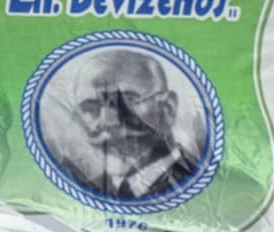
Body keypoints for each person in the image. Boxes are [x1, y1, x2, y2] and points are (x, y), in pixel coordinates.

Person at [44, 46, 204, 200]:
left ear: (167, 108)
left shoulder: (199, 181)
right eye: (90, 108)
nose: (107, 122)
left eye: (126, 102)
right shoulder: (82, 187)